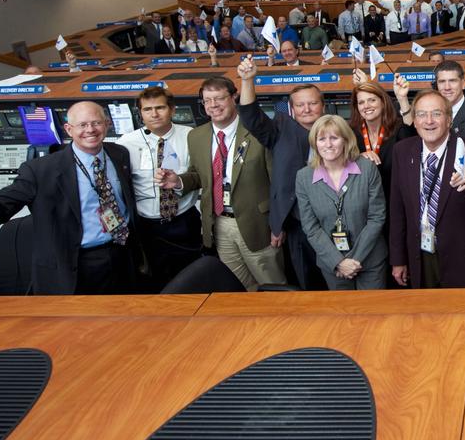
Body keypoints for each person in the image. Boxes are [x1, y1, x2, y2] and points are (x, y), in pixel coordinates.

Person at [0, 101, 137, 294]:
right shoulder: (40, 170)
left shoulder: (119, 154)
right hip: (75, 264)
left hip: (123, 254)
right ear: (68, 129)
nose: (90, 129)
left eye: (96, 123)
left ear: (107, 124)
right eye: (82, 125)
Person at [156, 76, 284, 291]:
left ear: (234, 97)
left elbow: (277, 182)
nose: (213, 105)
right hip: (219, 224)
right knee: (236, 286)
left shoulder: (257, 131)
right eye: (207, 100)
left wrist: (279, 224)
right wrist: (178, 181)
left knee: (272, 285)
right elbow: (199, 175)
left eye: (219, 98)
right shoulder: (197, 136)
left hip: (258, 224)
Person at [388, 90, 465, 288]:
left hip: (464, 261)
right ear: (414, 120)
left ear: (449, 120)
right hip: (421, 257)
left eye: (436, 114)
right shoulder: (402, 151)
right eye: (421, 114)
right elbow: (397, 210)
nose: (429, 121)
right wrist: (398, 259)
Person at [234, 58, 325, 289]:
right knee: (306, 282)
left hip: (331, 221)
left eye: (312, 104)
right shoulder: (280, 129)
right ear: (292, 109)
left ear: (322, 106)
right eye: (300, 105)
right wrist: (247, 80)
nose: (306, 109)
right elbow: (251, 117)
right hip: (296, 223)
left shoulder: (337, 130)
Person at [116, 87, 201, 289]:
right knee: (156, 282)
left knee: (193, 277)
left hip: (184, 220)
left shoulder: (192, 136)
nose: (154, 114)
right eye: (147, 109)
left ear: (172, 109)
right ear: (141, 113)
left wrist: (179, 180)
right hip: (147, 226)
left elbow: (202, 176)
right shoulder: (125, 144)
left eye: (160, 108)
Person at [294, 115, 388, 290]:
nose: (328, 144)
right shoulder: (304, 177)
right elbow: (311, 227)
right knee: (343, 315)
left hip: (370, 260)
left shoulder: (367, 168)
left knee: (373, 313)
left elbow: (377, 217)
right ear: (315, 143)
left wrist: (353, 260)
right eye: (321, 139)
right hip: (332, 265)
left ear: (346, 140)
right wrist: (338, 262)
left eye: (334, 138)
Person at [349, 74, 415, 196]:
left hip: (394, 197)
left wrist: (402, 99)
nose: (366, 106)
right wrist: (358, 158)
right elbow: (342, 164)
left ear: (383, 102)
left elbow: (412, 139)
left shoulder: (397, 128)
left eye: (372, 100)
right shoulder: (350, 132)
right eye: (361, 102)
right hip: (364, 200)